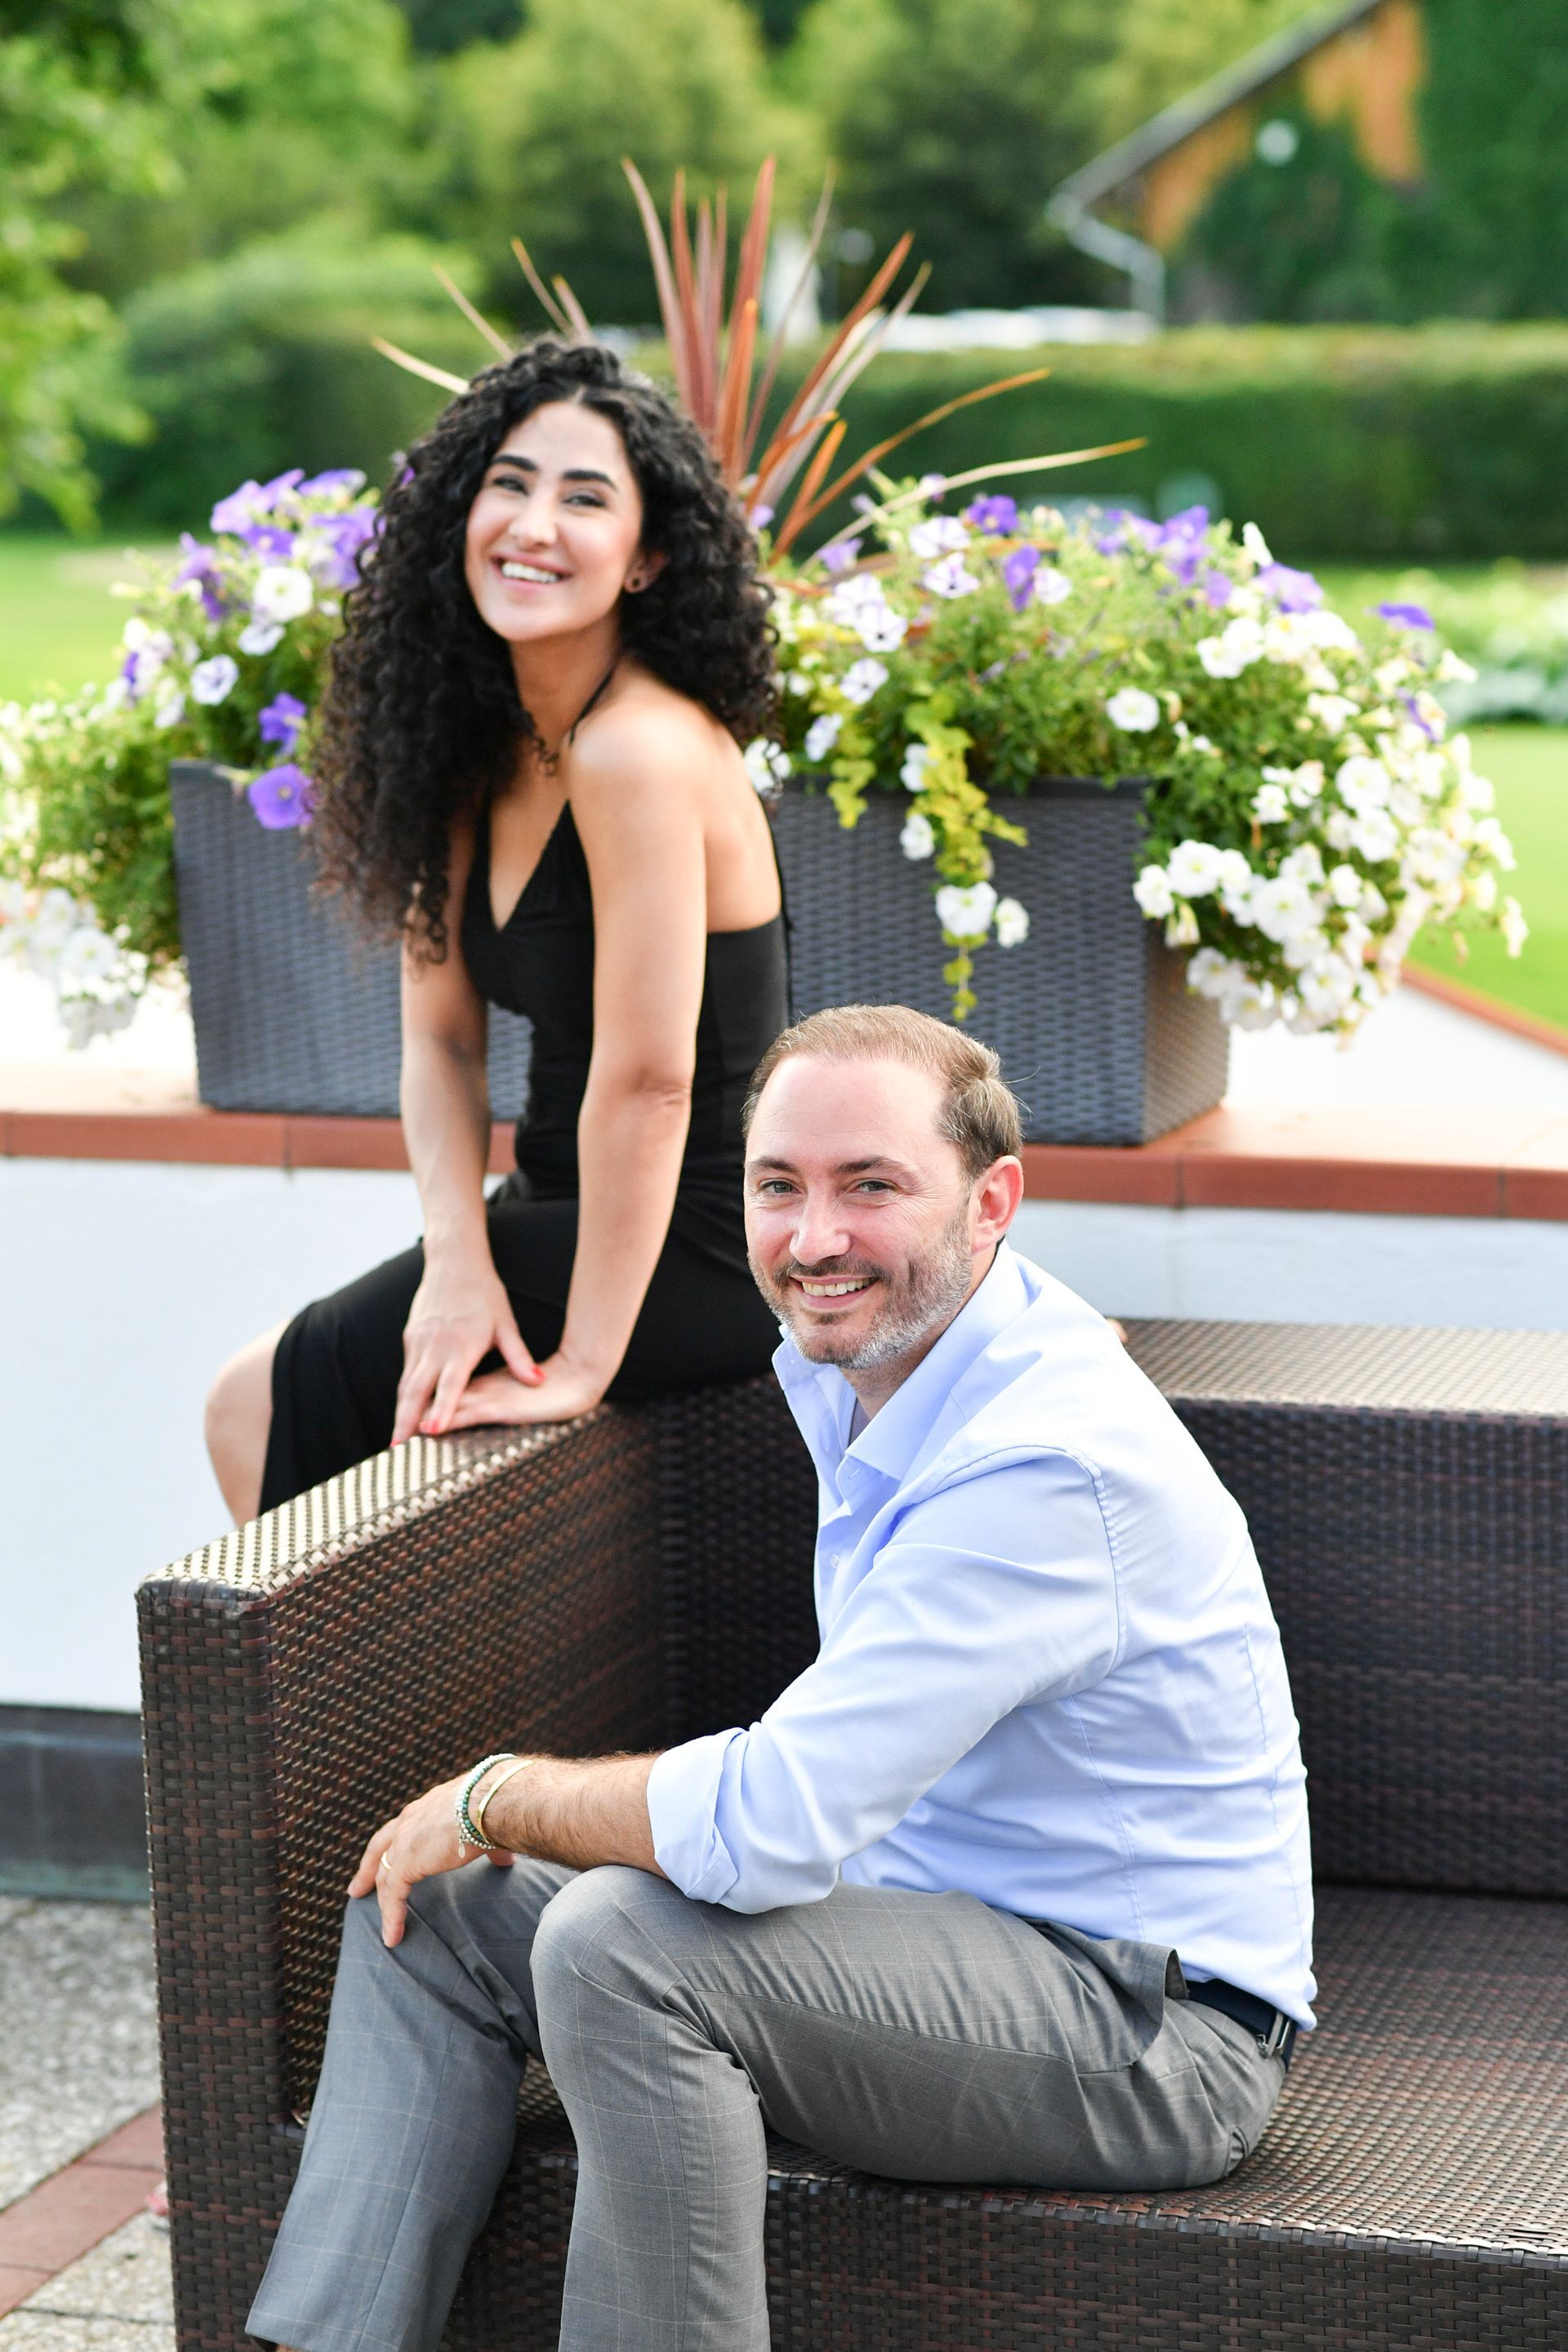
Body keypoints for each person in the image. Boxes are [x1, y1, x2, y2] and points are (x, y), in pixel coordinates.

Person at [247, 1004, 1315, 2352]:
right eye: (778, 1187)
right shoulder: (918, 1349)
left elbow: (771, 1825)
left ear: (992, 1202)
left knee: (618, 1947)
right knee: (430, 1901)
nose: (814, 1239)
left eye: (871, 1186)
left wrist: (498, 1794)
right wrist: (471, 1830)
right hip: (935, 1926)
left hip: (1149, 2031)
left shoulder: (1040, 1466)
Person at [204, 339, 787, 1522]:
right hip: (559, 1206)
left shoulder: (636, 750)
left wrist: (582, 1360)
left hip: (704, 1240)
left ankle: (341, 1657)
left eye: (586, 498)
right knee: (291, 1406)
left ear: (647, 559)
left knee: (250, 1405)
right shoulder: (478, 745)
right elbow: (442, 1043)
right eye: (509, 484)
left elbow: (653, 1084)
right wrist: (458, 1260)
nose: (533, 524)